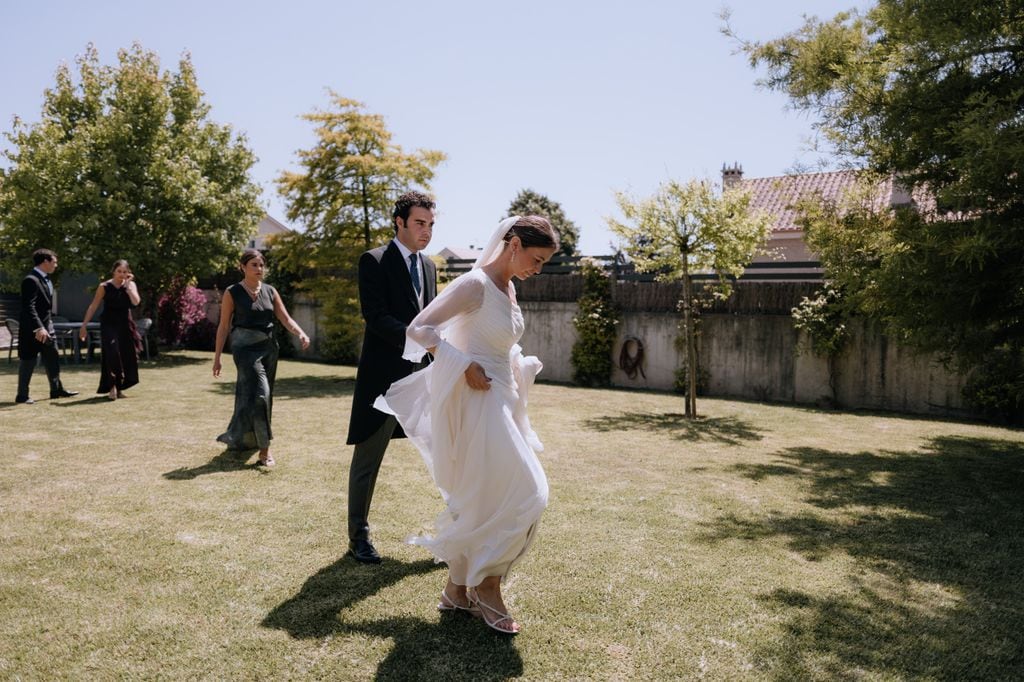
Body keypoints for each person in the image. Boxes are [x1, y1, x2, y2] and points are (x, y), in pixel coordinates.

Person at [375, 215, 558, 635]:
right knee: (530, 493)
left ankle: (456, 591)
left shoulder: (508, 289)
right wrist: (461, 366)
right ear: (513, 244)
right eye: (537, 258)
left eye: (545, 262)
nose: (538, 269)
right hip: (478, 402)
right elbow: (420, 328)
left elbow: (492, 341)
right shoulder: (474, 283)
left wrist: (516, 364)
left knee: (485, 499)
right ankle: (487, 585)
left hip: (504, 401)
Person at [346, 191, 438, 564]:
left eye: (431, 224)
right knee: (368, 459)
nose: (426, 231)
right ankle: (359, 537)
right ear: (399, 222)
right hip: (384, 379)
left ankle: (458, 531)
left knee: (444, 452)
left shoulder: (430, 266)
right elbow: (376, 316)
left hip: (424, 379)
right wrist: (420, 337)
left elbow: (432, 316)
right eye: (419, 223)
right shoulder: (374, 261)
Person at [213, 249, 310, 466]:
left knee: (258, 397)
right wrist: (217, 357)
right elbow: (224, 326)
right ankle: (265, 450)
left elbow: (285, 319)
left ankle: (243, 439)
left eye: (261, 265)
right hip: (244, 349)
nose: (259, 269)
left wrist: (301, 333)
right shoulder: (232, 292)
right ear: (243, 267)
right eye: (254, 265)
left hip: (268, 349)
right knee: (261, 395)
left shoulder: (270, 291)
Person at [15, 248, 78, 404]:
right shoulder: (31, 279)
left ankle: (56, 390)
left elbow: (45, 307)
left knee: (52, 358)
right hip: (32, 329)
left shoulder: (46, 279)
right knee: (28, 360)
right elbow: (28, 307)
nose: (56, 265)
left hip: (47, 327)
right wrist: (39, 328)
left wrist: (47, 326)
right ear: (45, 262)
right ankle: (22, 396)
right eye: (54, 262)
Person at [78, 260, 142, 400]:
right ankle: (112, 386)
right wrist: (84, 325)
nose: (122, 274)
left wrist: (128, 287)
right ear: (113, 271)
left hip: (125, 324)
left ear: (128, 273)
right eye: (119, 271)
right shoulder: (104, 286)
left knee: (126, 355)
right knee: (112, 353)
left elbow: (136, 302)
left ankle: (119, 388)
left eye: (125, 272)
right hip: (109, 324)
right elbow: (93, 306)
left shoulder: (130, 285)